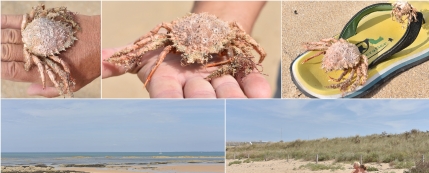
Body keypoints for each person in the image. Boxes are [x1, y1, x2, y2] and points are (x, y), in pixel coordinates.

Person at [102, 1, 272, 98]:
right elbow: (154, 34)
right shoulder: (170, 37)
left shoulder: (229, 35)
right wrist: (137, 47)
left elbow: (243, 38)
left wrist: (251, 54)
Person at [1, 9, 101, 97]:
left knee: (50, 66)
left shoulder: (27, 24)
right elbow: (39, 11)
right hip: (41, 29)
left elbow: (35, 66)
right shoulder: (29, 23)